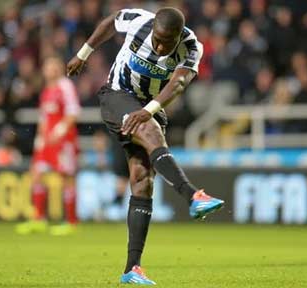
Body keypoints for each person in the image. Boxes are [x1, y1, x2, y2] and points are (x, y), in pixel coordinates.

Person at [67, 7, 224, 285]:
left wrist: (149, 109)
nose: (162, 46)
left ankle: (132, 269)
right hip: (117, 95)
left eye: (168, 41)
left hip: (150, 106)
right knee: (150, 132)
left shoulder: (191, 46)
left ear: (178, 36)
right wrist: (83, 54)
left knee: (142, 179)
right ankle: (192, 196)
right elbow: (109, 23)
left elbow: (178, 83)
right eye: (158, 39)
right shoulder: (139, 21)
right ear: (153, 29)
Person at [16, 56, 80, 236]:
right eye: (46, 66)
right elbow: (44, 118)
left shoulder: (65, 86)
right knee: (36, 174)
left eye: (52, 66)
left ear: (59, 68)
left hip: (63, 140)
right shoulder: (46, 90)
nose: (48, 69)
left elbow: (73, 112)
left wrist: (59, 131)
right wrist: (39, 139)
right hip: (46, 142)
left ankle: (71, 221)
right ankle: (39, 219)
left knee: (66, 177)